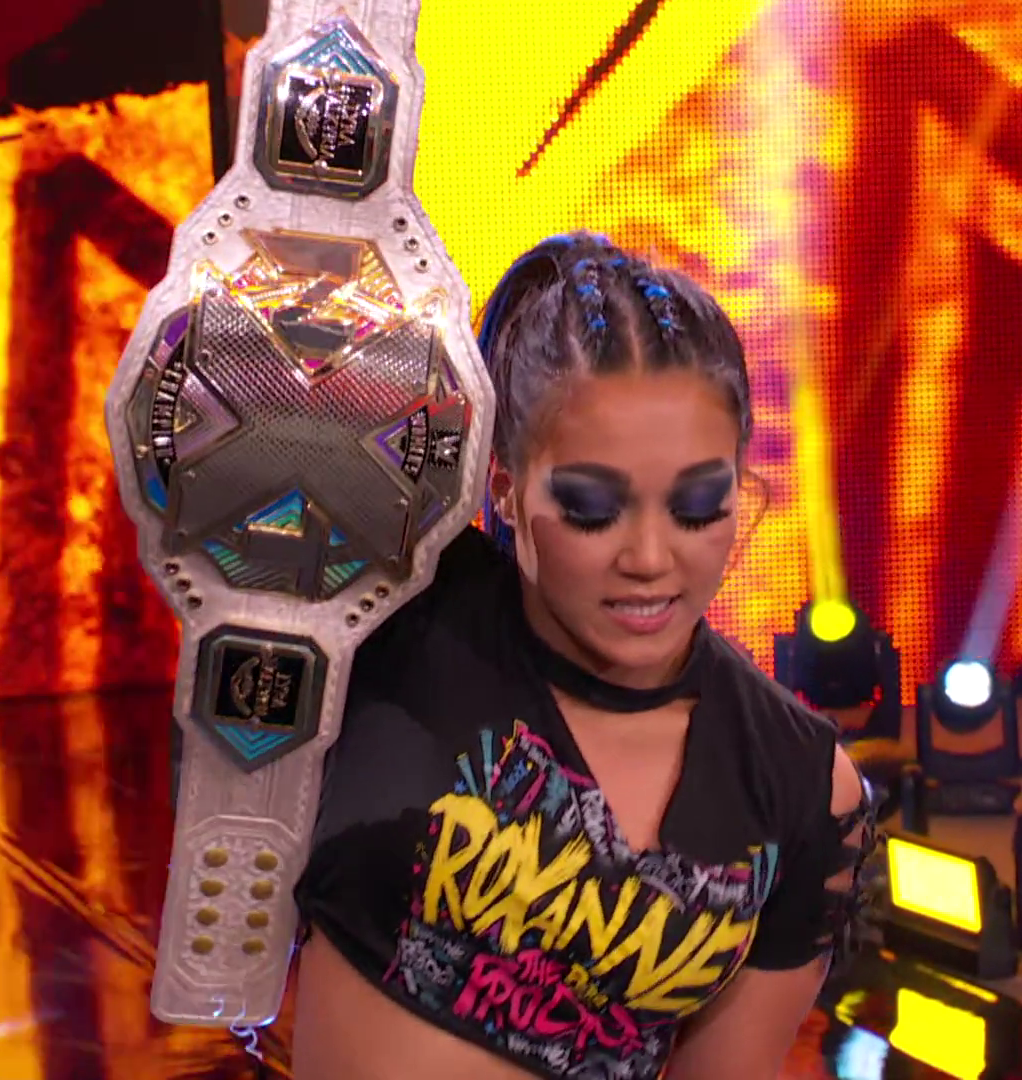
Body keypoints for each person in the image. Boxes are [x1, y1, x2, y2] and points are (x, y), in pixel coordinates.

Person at [290, 233, 874, 1079]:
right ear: (503, 487)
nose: (649, 558)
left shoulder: (801, 785)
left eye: (697, 507)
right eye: (594, 509)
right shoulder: (390, 616)